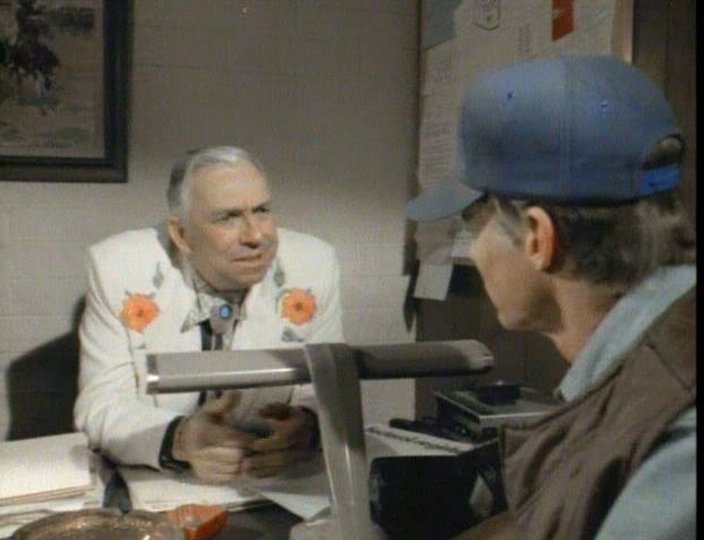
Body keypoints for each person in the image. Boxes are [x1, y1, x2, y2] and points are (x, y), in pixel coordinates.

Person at [406, 56, 695, 539]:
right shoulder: (646, 371)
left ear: (538, 239)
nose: (473, 251)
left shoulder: (678, 437)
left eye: (473, 224)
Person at [74, 146, 344, 483]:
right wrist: (179, 440)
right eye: (228, 217)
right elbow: (99, 405)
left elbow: (332, 387)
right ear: (182, 235)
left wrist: (309, 427)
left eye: (262, 210)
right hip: (160, 484)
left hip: (277, 483)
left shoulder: (314, 264)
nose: (257, 236)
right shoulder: (119, 267)